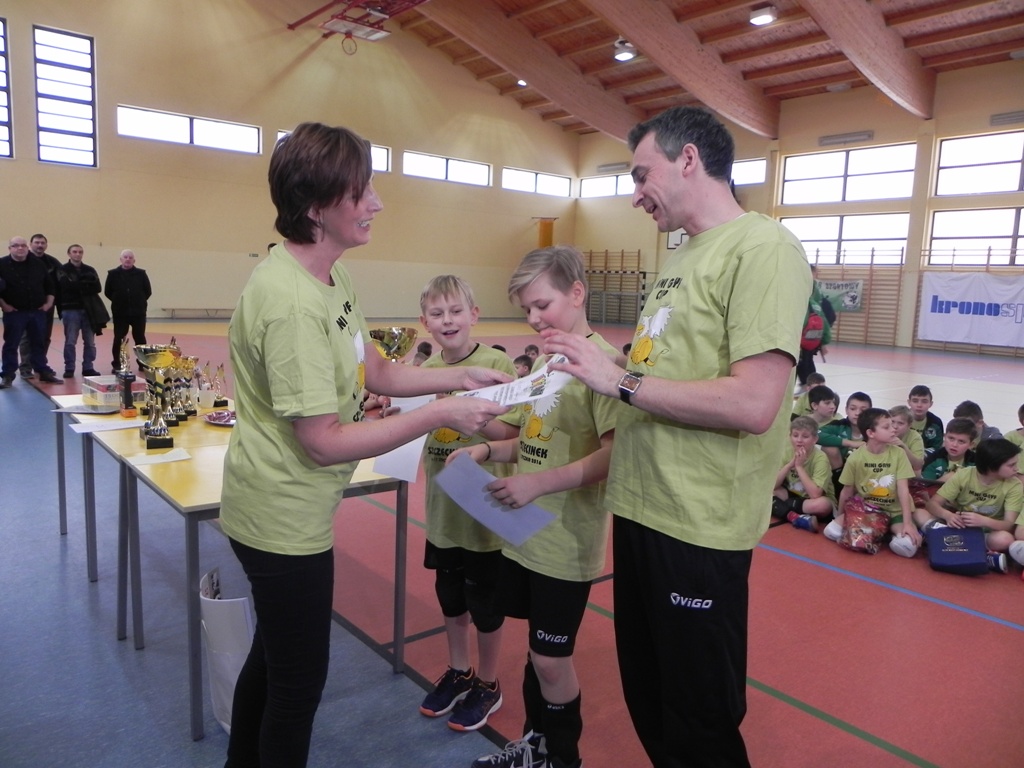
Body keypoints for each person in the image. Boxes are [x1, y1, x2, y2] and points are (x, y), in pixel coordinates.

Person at [218, 123, 510, 768]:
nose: (377, 202)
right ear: (316, 208)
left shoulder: (332, 278)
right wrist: (441, 413)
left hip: (290, 509)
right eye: (361, 192)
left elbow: (372, 369)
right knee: (297, 682)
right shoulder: (291, 305)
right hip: (280, 519)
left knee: (274, 659)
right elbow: (323, 443)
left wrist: (456, 377)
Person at [542, 106, 810, 767]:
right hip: (640, 507)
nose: (635, 195)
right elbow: (663, 372)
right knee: (651, 702)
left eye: (641, 175)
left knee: (698, 721)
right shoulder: (681, 255)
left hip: (697, 524)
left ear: (688, 158)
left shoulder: (763, 248)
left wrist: (619, 381)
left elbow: (753, 402)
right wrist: (601, 366)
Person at [456, 245, 624, 768]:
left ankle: (562, 758)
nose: (532, 318)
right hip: (525, 535)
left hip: (565, 543)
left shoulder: (602, 364)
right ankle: (534, 745)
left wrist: (538, 485)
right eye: (526, 308)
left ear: (577, 293)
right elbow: (533, 441)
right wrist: (487, 451)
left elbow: (614, 455)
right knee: (536, 653)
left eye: (542, 304)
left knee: (552, 660)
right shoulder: (549, 363)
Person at [415, 274, 520, 732]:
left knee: (485, 604)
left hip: (484, 514)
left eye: (456, 311)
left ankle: (489, 682)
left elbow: (512, 435)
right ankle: (459, 670)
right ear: (425, 322)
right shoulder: (426, 372)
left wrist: (460, 410)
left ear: (474, 315)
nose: (448, 320)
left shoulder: (496, 364)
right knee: (450, 597)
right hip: (443, 512)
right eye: (437, 314)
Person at [823, 408, 921, 557]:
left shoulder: (899, 454)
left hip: (896, 512)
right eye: (887, 427)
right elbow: (847, 491)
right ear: (871, 433)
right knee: (831, 532)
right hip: (868, 511)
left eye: (892, 425)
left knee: (907, 547)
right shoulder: (855, 458)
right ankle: (879, 531)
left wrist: (907, 523)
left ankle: (887, 530)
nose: (893, 429)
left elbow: (903, 490)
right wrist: (842, 517)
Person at [915, 438, 1023, 572]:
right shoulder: (964, 474)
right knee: (919, 513)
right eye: (1011, 465)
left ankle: (939, 542)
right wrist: (948, 515)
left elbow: (1008, 524)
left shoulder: (1014, 485)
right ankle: (981, 555)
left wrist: (984, 521)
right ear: (993, 465)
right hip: (956, 526)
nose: (1017, 469)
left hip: (985, 532)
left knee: (1005, 539)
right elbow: (932, 504)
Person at [0, 236, 61, 387]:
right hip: (14, 313)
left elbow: (49, 285)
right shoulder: (2, 264)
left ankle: (42, 371)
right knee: (11, 344)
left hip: (37, 312)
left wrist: (49, 303)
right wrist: (4, 305)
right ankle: (7, 375)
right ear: (10, 248)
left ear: (27, 248)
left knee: (39, 343)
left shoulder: (38, 264)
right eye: (16, 245)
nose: (20, 248)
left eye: (23, 245)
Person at [771, 416, 836, 532]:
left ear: (815, 439)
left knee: (823, 505)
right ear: (790, 436)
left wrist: (799, 467)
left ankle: (782, 508)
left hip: (811, 500)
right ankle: (795, 517)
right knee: (767, 492)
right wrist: (789, 465)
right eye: (795, 435)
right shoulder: (787, 452)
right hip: (792, 495)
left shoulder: (820, 458)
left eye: (805, 437)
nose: (799, 440)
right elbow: (773, 485)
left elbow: (815, 494)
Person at [55, 244, 103, 378]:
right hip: (70, 310)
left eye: (80, 252)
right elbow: (65, 287)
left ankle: (88, 367)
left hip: (89, 310)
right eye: (74, 252)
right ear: (69, 254)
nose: (77, 254)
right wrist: (86, 284)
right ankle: (69, 367)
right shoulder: (62, 269)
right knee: (70, 341)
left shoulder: (90, 270)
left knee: (90, 342)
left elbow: (97, 287)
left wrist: (76, 284)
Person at [17, 233, 61, 379]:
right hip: (26, 306)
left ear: (46, 245)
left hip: (47, 306)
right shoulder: (22, 260)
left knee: (45, 337)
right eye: (37, 242)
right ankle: (25, 367)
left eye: (42, 243)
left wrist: (52, 302)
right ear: (30, 245)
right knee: (26, 337)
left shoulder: (52, 263)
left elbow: (59, 283)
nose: (40, 245)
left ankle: (40, 365)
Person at [104, 249, 151, 372]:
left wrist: (138, 301)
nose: (128, 259)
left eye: (130, 257)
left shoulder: (141, 274)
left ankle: (143, 363)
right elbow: (108, 292)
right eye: (125, 257)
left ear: (134, 260)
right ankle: (117, 363)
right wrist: (119, 300)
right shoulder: (112, 274)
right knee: (119, 338)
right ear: (121, 259)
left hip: (138, 312)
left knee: (140, 338)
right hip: (120, 313)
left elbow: (148, 291)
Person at [795, 267, 832, 392]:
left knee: (800, 366)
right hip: (811, 341)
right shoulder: (816, 304)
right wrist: (824, 342)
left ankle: (809, 389)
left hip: (801, 342)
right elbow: (825, 323)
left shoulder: (801, 304)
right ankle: (813, 388)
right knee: (807, 364)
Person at [920, 417, 977, 482]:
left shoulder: (977, 463)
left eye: (961, 441)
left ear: (971, 445)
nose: (954, 445)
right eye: (951, 438)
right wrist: (946, 479)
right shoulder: (932, 459)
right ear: (944, 437)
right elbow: (926, 486)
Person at [908, 385, 944, 460]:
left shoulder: (936, 422)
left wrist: (920, 454)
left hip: (926, 460)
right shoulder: (898, 419)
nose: (919, 405)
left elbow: (937, 447)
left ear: (931, 404)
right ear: (909, 402)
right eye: (915, 401)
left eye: (924, 401)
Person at [888, 404, 925, 474]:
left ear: (909, 425)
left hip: (906, 472)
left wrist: (904, 447)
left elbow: (918, 465)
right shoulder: (882, 433)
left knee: (917, 472)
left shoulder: (915, 437)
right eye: (892, 422)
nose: (895, 426)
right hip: (886, 471)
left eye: (900, 423)